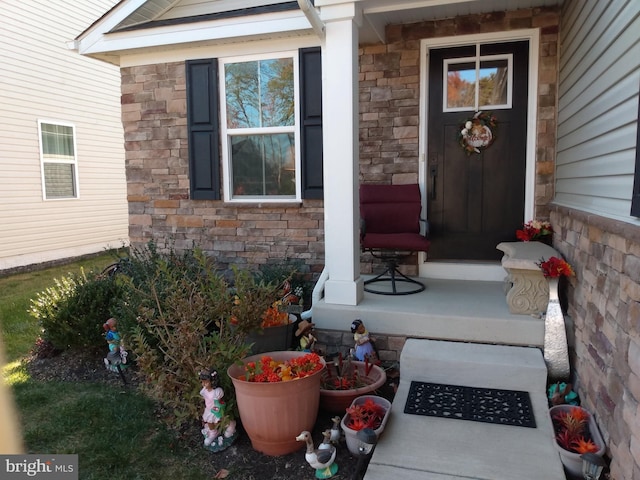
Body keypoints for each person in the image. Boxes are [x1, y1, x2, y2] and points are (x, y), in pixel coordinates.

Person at [199, 369, 237, 450]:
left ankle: (230, 425)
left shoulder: (217, 392)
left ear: (212, 382)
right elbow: (205, 398)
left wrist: (218, 408)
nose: (204, 384)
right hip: (209, 409)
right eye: (202, 382)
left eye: (206, 382)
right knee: (209, 420)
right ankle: (213, 432)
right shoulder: (204, 391)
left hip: (217, 409)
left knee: (221, 419)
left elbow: (218, 402)